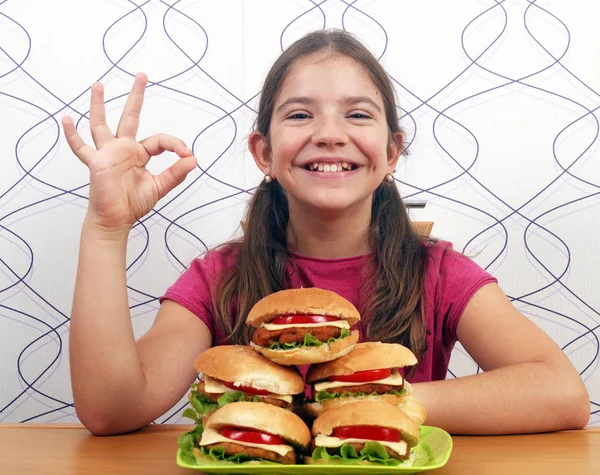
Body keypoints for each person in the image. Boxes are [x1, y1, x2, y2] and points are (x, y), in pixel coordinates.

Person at [62, 29, 590, 437]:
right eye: (299, 115)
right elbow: (111, 410)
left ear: (390, 154)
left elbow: (561, 393)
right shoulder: (218, 277)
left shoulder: (439, 271)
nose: (330, 135)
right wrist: (107, 229)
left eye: (357, 114)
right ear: (263, 153)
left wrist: (381, 401)